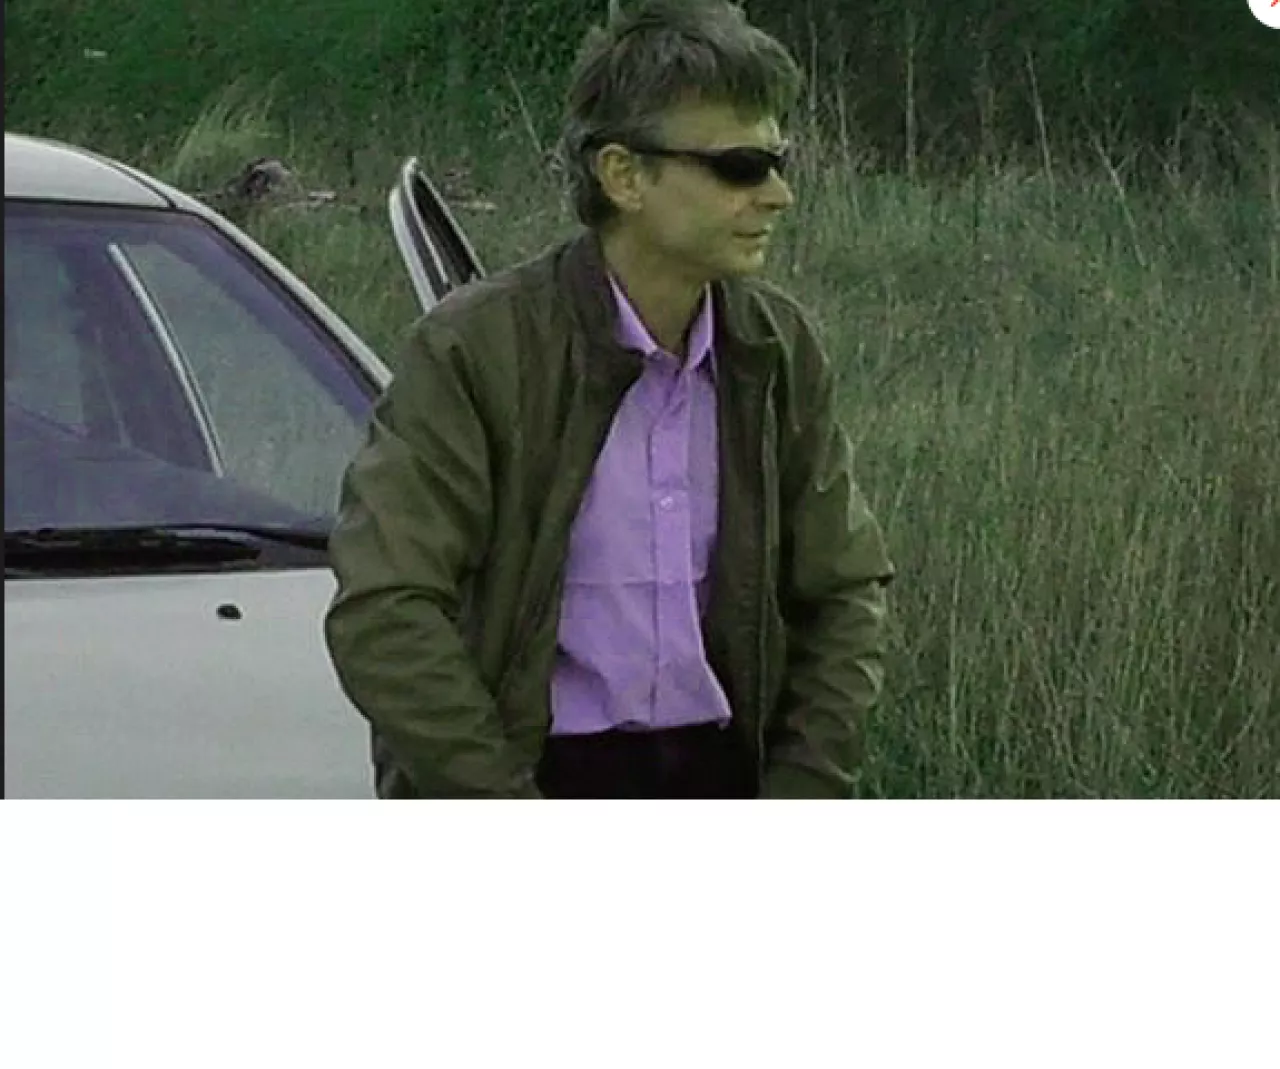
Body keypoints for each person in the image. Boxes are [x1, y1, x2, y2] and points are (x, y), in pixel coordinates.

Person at [323, 0, 894, 798]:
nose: (776, 194)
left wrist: (803, 788)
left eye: (778, 160)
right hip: (537, 773)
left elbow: (843, 592)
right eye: (739, 166)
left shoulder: (775, 349)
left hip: (726, 774)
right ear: (623, 175)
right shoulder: (476, 349)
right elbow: (385, 608)